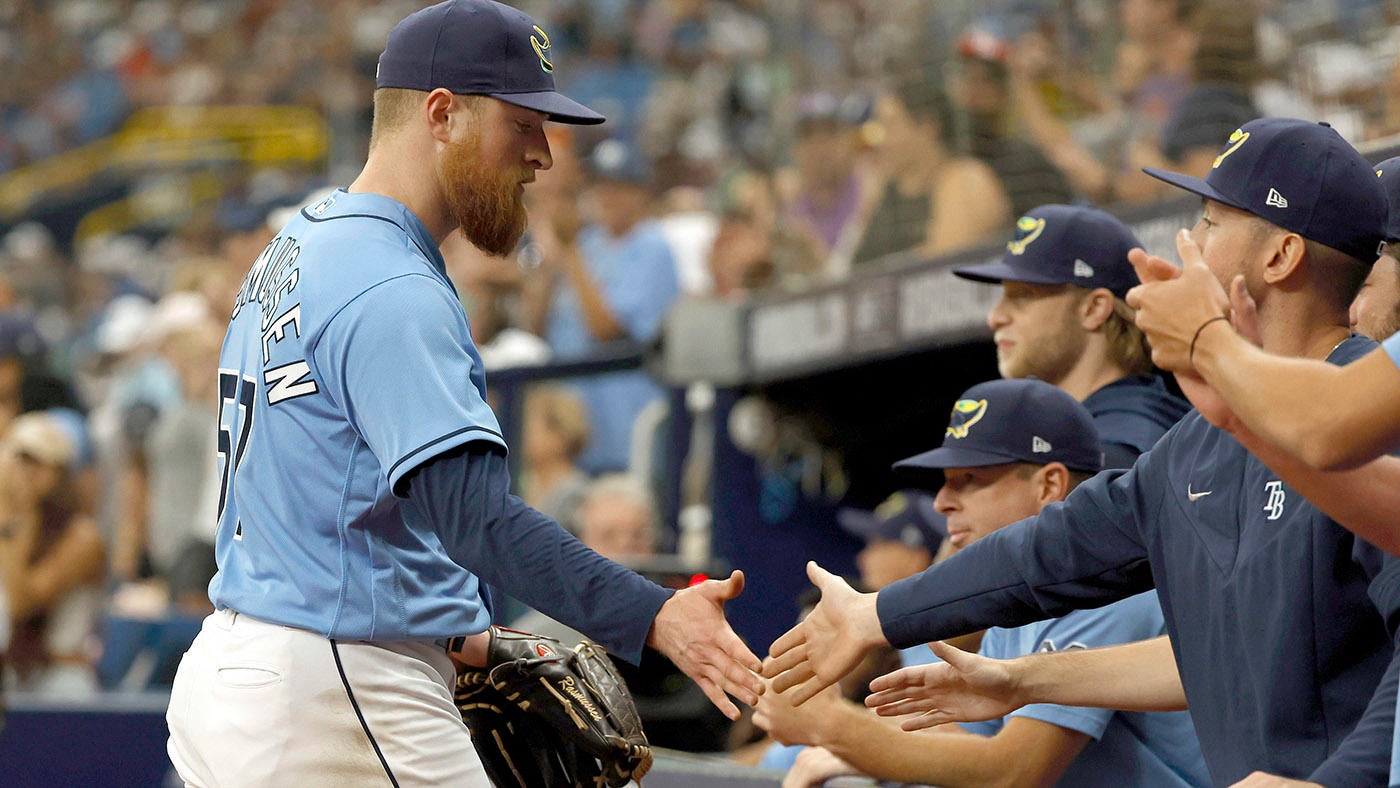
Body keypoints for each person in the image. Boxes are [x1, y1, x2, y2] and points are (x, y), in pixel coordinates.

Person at [164, 3, 762, 785]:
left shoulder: (303, 241)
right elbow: (473, 519)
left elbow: (331, 504)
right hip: (336, 692)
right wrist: (654, 613)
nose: (544, 155)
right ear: (442, 114)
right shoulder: (391, 284)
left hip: (251, 670)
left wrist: (460, 635)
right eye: (522, 124)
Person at [763, 118, 1400, 786]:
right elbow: (1051, 550)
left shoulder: (1371, 414)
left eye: (1211, 221)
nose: (1188, 243)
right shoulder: (1203, 435)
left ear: (1279, 258)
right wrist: (881, 617)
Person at [754, 379, 1207, 788]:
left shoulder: (1106, 588)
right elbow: (960, 736)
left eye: (970, 480)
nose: (943, 502)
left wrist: (833, 728)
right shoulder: (1011, 601)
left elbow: (1014, 771)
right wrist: (849, 747)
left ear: (1050, 485)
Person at [953, 203, 1188, 467]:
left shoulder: (1115, 452)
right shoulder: (1099, 431)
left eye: (1023, 296)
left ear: (1094, 309)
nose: (995, 317)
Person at [522, 136, 682, 474]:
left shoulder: (652, 247)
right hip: (574, 436)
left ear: (642, 192)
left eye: (620, 186)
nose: (608, 197)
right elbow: (535, 325)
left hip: (625, 432)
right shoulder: (589, 242)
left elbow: (606, 328)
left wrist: (569, 250)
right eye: (602, 186)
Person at [850, 77, 1010, 266]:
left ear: (928, 128)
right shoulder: (883, 195)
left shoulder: (967, 180)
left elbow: (941, 268)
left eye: (891, 125)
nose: (882, 141)